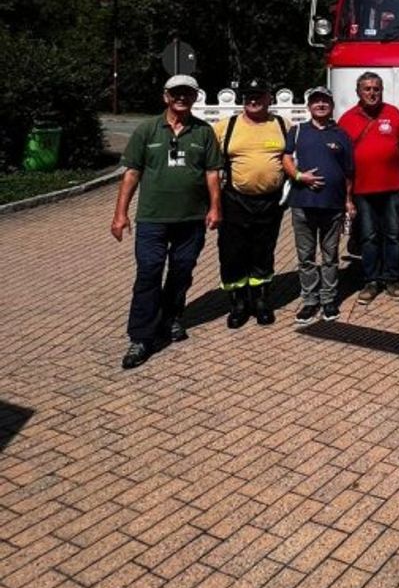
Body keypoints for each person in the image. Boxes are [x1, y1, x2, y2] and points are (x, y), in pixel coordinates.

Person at [112, 75, 223, 369]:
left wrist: (215, 208)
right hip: (152, 218)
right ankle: (141, 337)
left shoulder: (203, 132)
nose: (181, 98)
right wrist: (120, 214)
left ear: (194, 97)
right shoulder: (147, 130)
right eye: (176, 93)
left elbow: (213, 173)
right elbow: (131, 173)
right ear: (166, 97)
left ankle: (171, 317)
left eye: (187, 93)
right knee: (149, 272)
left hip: (191, 218)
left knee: (181, 271)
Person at [215, 78, 290, 328]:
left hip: (270, 202)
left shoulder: (282, 124)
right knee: (233, 252)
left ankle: (260, 301)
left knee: (263, 251)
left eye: (259, 95)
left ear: (269, 98)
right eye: (248, 96)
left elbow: (296, 155)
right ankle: (238, 304)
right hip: (234, 201)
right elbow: (205, 163)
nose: (253, 100)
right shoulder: (226, 126)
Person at [338, 72, 399, 304]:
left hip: (392, 187)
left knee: (393, 235)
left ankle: (391, 278)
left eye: (376, 89)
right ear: (358, 92)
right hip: (363, 189)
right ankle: (371, 281)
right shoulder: (347, 119)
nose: (372, 93)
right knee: (369, 237)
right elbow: (342, 158)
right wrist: (346, 195)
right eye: (367, 89)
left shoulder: (393, 113)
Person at [283, 86, 355, 325]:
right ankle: (310, 300)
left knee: (330, 256)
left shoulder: (341, 135)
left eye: (325, 101)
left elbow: (348, 172)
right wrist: (299, 176)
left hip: (332, 206)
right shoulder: (297, 131)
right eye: (316, 101)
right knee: (306, 257)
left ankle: (329, 299)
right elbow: (285, 158)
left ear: (331, 105)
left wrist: (348, 200)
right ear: (309, 106)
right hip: (302, 204)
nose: (321, 105)